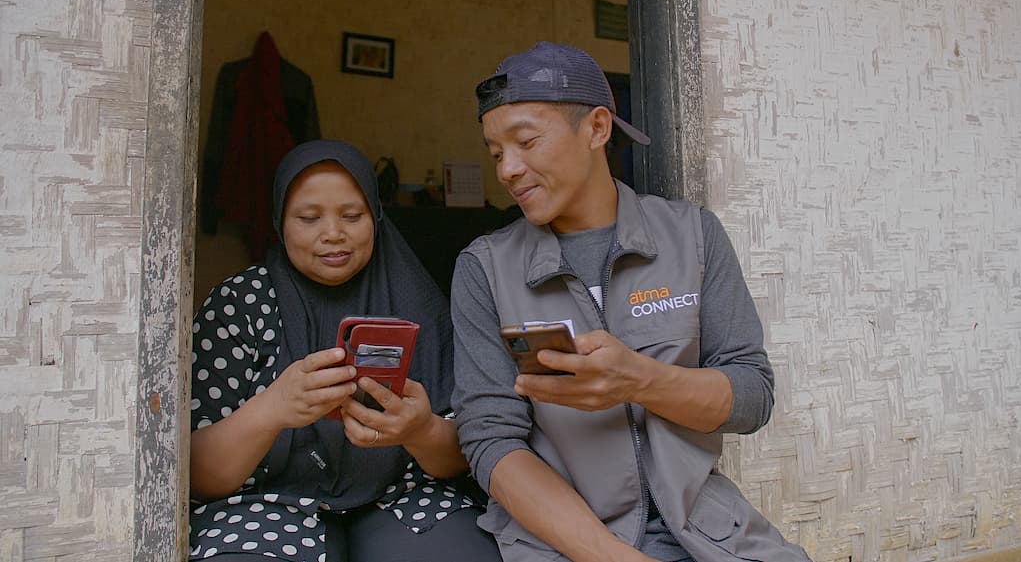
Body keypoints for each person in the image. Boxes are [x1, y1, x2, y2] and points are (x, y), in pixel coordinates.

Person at [451, 42, 812, 562]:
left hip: (707, 529)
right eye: (495, 153)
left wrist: (640, 380)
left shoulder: (692, 236)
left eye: (526, 141)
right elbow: (490, 441)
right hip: (563, 542)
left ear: (597, 128)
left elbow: (752, 396)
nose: (507, 169)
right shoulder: (485, 269)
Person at [189, 139, 501, 561]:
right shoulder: (239, 303)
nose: (332, 234)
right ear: (280, 223)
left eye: (352, 216)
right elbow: (197, 475)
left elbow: (465, 453)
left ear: (375, 217)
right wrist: (273, 408)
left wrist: (420, 429)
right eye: (308, 218)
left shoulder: (419, 301)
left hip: (406, 497)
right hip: (262, 504)